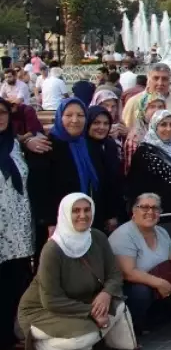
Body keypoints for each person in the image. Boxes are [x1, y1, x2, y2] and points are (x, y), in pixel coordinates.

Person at [18, 194, 124, 350]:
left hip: (82, 303)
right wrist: (92, 311)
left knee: (118, 306)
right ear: (65, 214)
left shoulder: (97, 237)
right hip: (42, 311)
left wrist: (106, 294)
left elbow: (114, 274)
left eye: (87, 210)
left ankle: (78, 347)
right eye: (76, 211)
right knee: (89, 333)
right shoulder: (52, 250)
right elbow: (51, 300)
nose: (83, 215)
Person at [124, 109, 171, 259]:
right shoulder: (145, 152)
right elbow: (136, 187)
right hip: (161, 217)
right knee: (164, 258)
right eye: (163, 125)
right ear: (154, 127)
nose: (169, 129)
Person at [27, 98, 104, 246]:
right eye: (68, 115)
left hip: (87, 219)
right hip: (57, 224)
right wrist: (50, 222)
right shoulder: (45, 147)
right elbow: (39, 190)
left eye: (80, 115)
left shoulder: (90, 146)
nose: (75, 120)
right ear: (59, 117)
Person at [109, 193, 171, 333]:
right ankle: (132, 326)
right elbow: (128, 273)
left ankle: (153, 320)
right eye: (144, 207)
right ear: (134, 211)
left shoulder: (162, 232)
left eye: (155, 208)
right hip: (127, 288)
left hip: (156, 285)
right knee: (141, 292)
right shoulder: (123, 235)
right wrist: (159, 283)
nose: (150, 212)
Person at [0, 99, 34, 350]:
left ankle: (7, 336)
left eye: (3, 112)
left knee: (14, 283)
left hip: (18, 227)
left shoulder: (16, 145)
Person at [84, 106, 124, 232]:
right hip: (90, 213)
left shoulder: (110, 144)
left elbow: (114, 181)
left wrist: (112, 214)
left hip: (112, 211)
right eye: (96, 123)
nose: (101, 127)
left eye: (106, 123)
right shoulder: (82, 148)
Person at [120, 63, 171, 128]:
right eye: (156, 78)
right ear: (148, 80)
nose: (160, 83)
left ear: (170, 81)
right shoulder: (134, 102)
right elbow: (126, 129)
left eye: (164, 79)